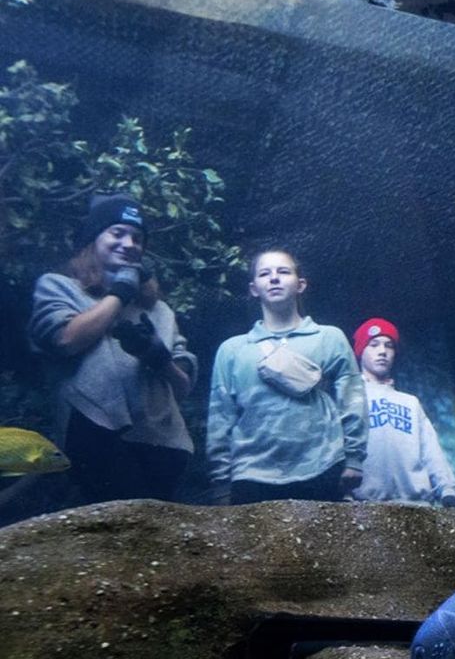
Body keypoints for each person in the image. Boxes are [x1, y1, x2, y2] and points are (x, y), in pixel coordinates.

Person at [27, 193, 196, 502]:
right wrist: (121, 292)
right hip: (95, 435)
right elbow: (65, 340)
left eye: (137, 237)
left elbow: (182, 389)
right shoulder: (58, 286)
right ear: (93, 239)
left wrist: (158, 357)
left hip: (164, 444)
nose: (129, 243)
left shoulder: (160, 311)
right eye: (117, 233)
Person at [206, 245, 367, 504]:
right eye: (264, 274)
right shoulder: (232, 350)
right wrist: (221, 480)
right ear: (253, 288)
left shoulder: (330, 338)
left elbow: (352, 399)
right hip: (251, 473)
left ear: (300, 284)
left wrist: (354, 459)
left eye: (283, 271)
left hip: (322, 465)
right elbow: (221, 416)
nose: (274, 278)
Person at [352, 317, 455, 507]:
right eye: (374, 344)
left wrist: (447, 488)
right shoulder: (350, 399)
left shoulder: (410, 403)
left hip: (415, 505)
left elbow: (430, 449)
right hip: (364, 505)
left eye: (389, 346)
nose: (382, 351)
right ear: (361, 351)